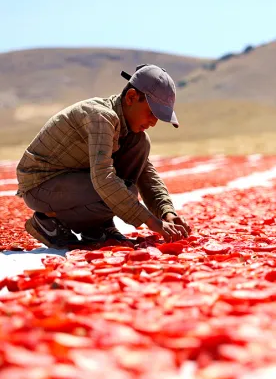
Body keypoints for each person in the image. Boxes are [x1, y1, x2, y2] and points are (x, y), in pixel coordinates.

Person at [16, 64, 192, 248]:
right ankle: (48, 221)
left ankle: (99, 228)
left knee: (140, 143)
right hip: (41, 185)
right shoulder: (101, 117)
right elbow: (103, 178)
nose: (154, 123)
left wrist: (167, 213)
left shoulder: (129, 131)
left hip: (74, 181)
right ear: (131, 97)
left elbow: (146, 174)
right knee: (126, 191)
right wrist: (152, 223)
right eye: (151, 113)